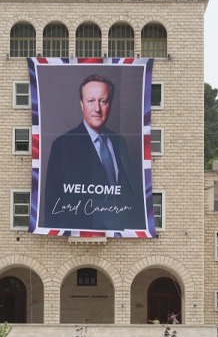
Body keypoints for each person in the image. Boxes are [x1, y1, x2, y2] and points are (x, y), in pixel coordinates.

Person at [42, 74, 145, 231]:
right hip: (82, 237)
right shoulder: (63, 145)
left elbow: (127, 195)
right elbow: (53, 208)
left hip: (121, 236)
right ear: (82, 104)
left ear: (109, 104)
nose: (97, 109)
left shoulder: (119, 142)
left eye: (103, 101)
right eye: (91, 101)